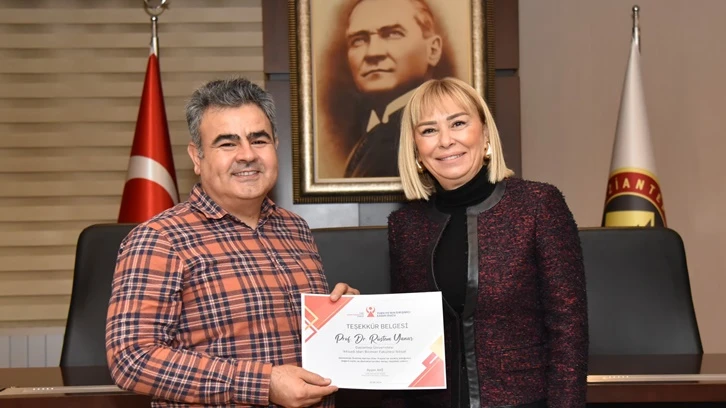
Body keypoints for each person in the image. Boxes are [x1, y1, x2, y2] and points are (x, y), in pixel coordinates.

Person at [106, 77, 359, 408]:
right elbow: (132, 358)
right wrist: (263, 384)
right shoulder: (159, 239)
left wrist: (343, 318)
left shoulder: (296, 229)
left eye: (259, 140)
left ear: (275, 146)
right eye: (227, 144)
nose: (247, 155)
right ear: (197, 157)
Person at [386, 77, 588, 407]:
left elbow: (569, 331)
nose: (446, 141)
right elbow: (404, 338)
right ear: (416, 150)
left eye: (458, 123)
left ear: (485, 134)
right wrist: (350, 311)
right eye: (429, 130)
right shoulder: (405, 226)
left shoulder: (538, 205)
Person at [342, 0, 444, 178]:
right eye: (358, 40)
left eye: (393, 34)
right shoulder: (370, 133)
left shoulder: (439, 133)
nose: (373, 53)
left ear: (433, 50)